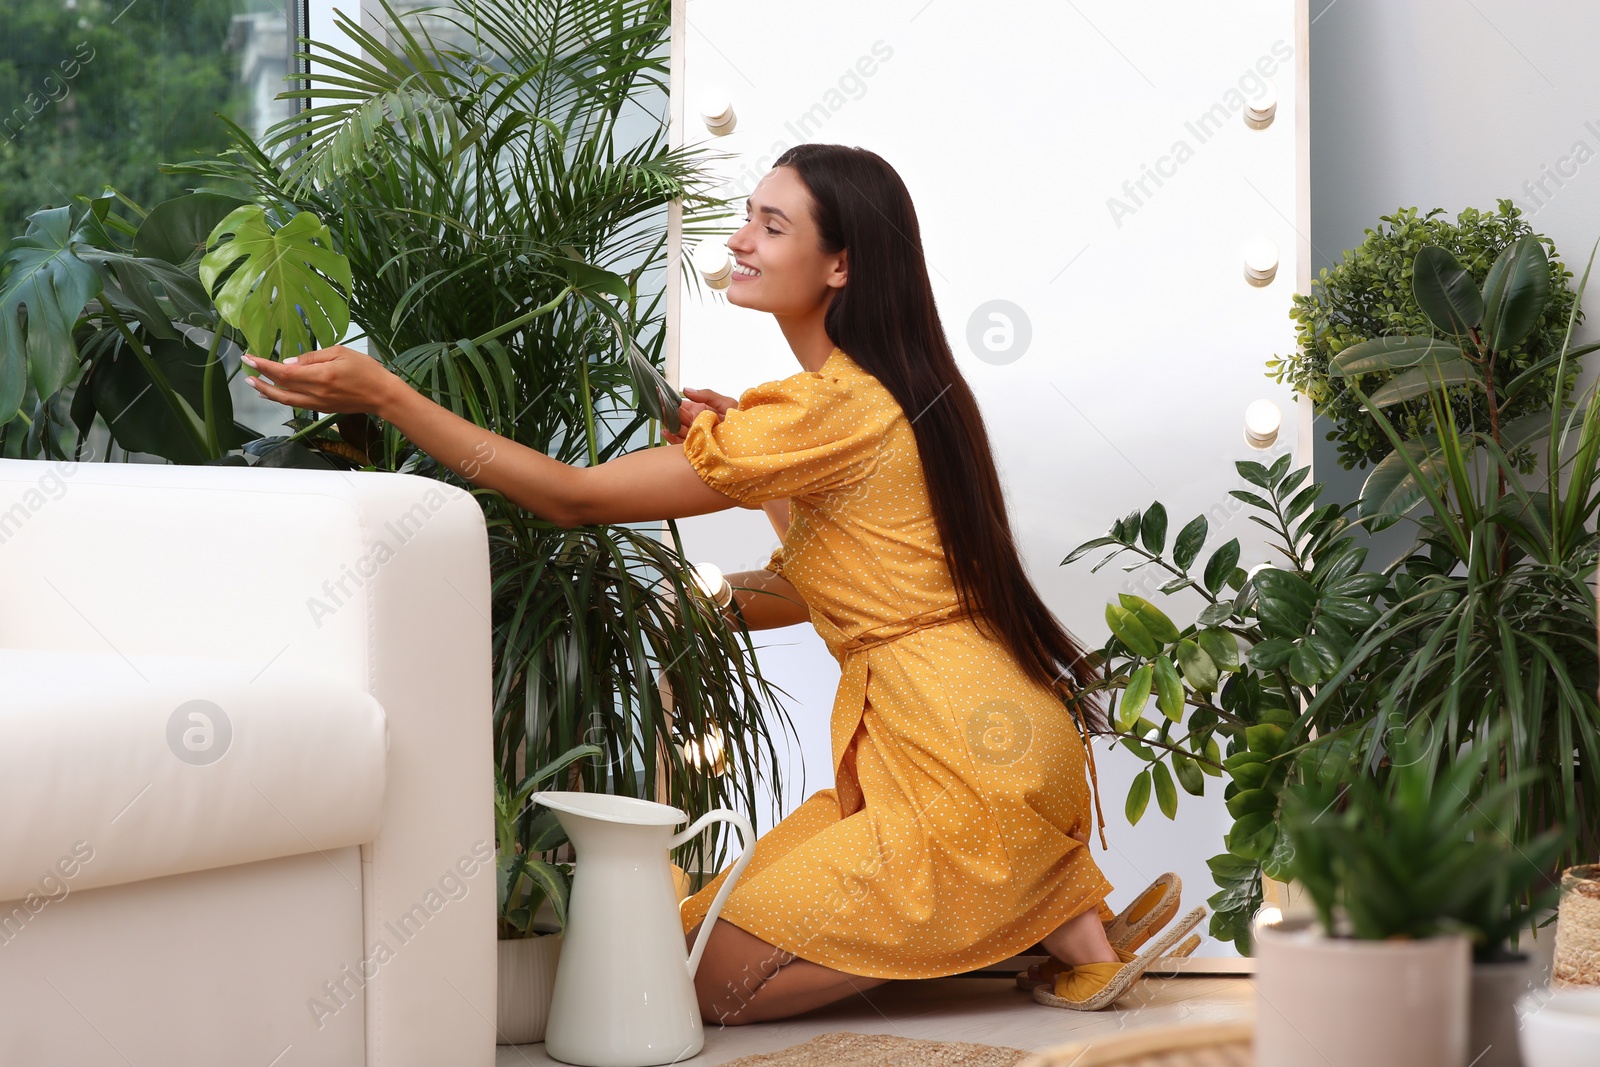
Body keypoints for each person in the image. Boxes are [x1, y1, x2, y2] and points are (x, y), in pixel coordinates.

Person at [239, 142, 1203, 1025]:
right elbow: (831, 588)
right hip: (979, 739)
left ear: (842, 265)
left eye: (771, 226)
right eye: (748, 215)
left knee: (712, 987)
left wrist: (390, 397)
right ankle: (1036, 912)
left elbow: (574, 499)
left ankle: (1019, 904)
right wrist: (747, 513)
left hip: (958, 762)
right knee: (696, 925)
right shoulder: (872, 393)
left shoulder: (827, 405)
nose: (739, 239)